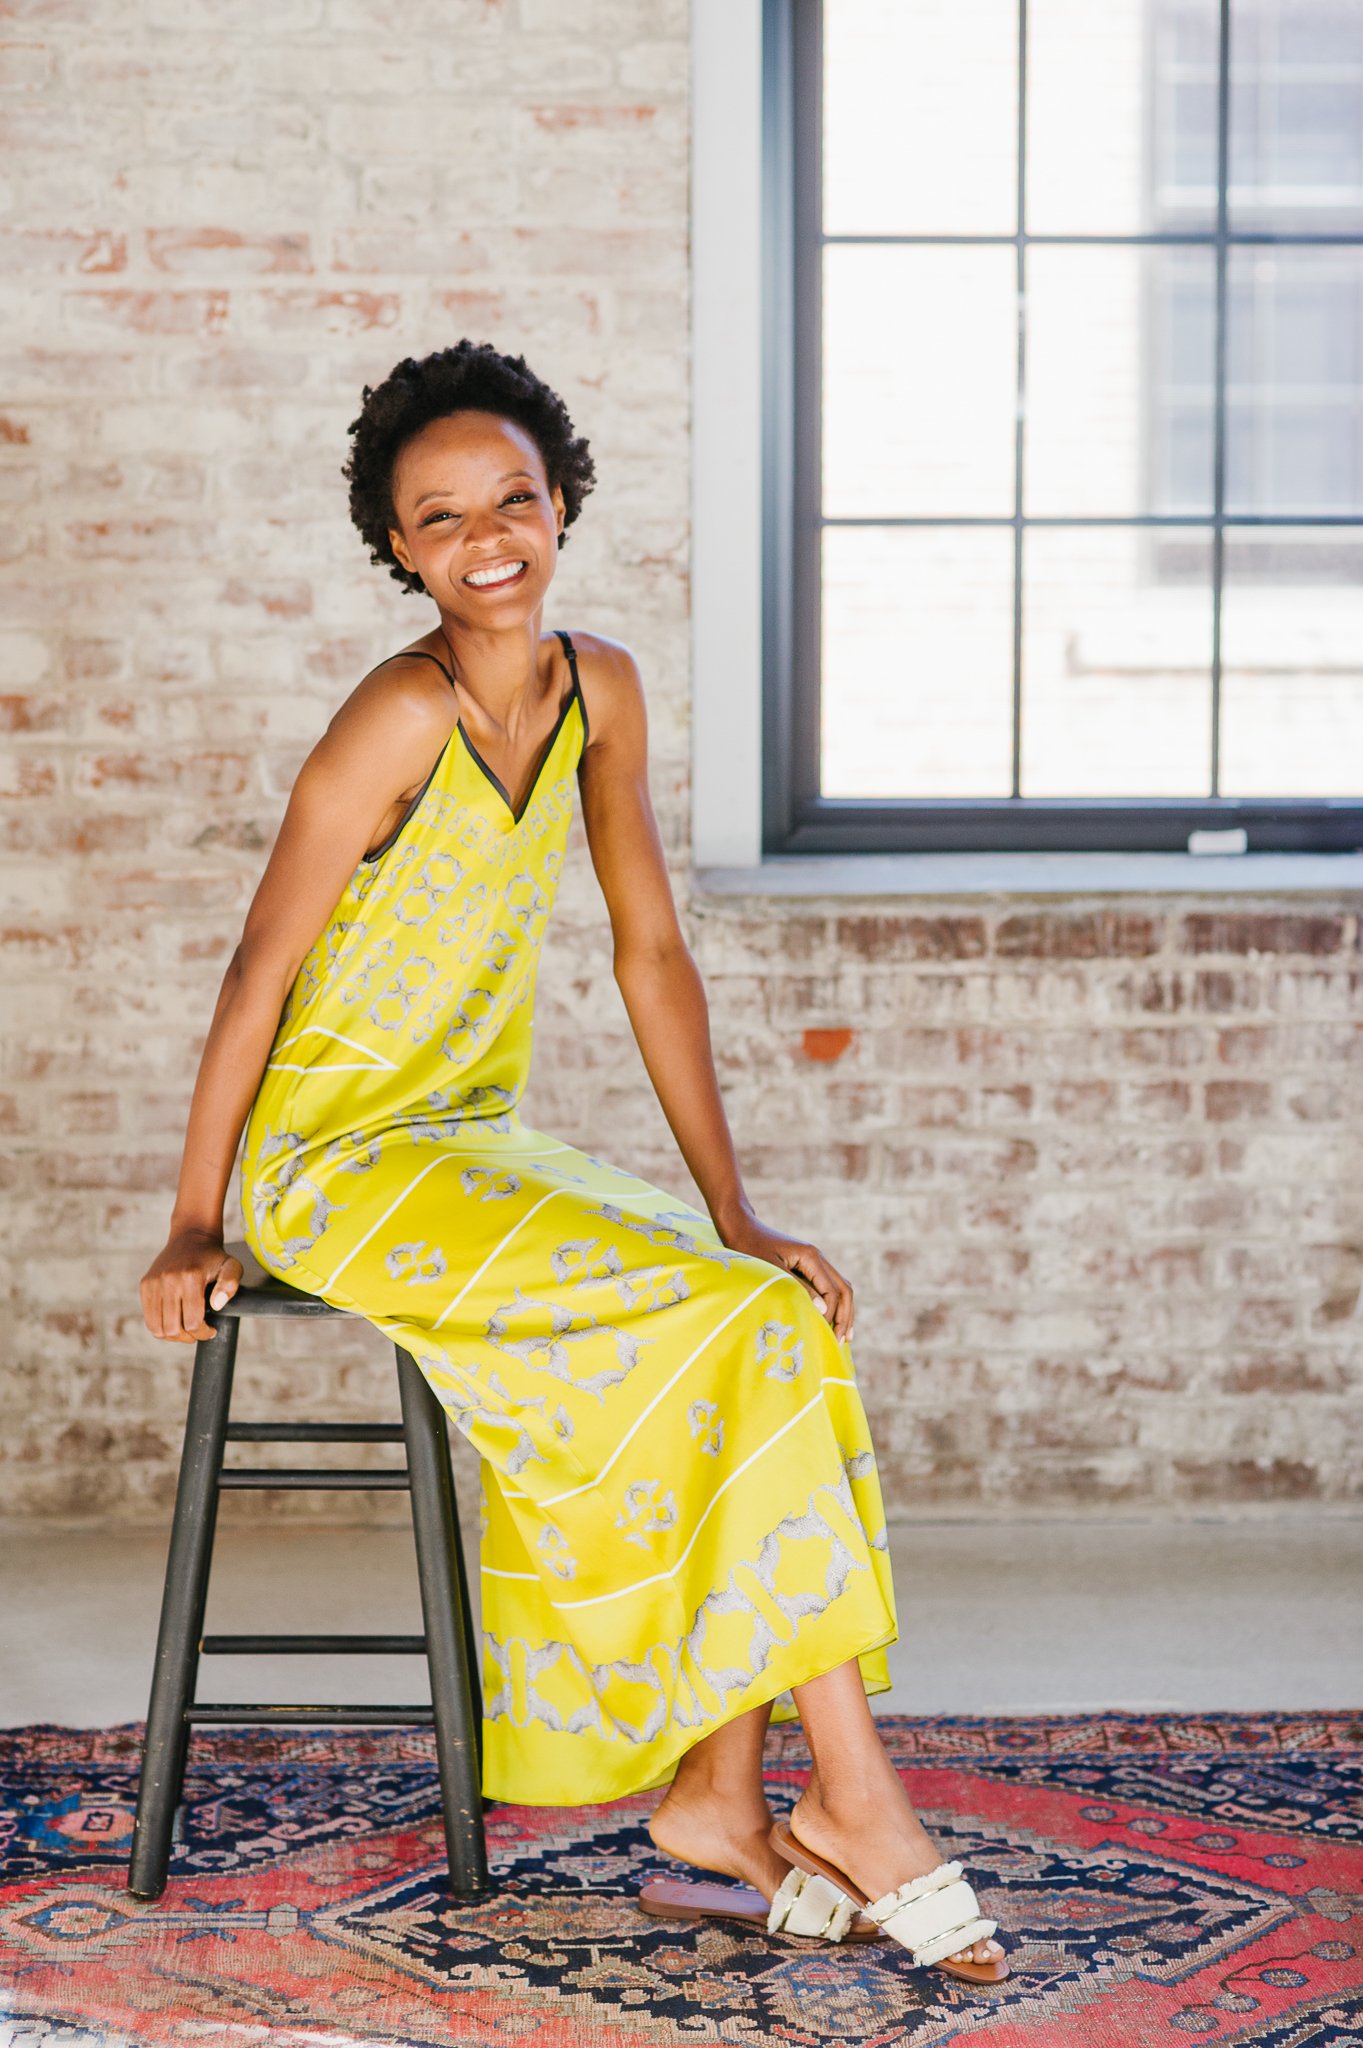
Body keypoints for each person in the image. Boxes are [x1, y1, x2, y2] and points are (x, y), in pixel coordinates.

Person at [138, 341, 1007, 1981]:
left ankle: (724, 1798)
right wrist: (198, 1219)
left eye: (514, 500)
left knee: (768, 1310)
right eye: (441, 515)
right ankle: (857, 1802)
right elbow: (261, 968)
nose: (487, 537)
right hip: (343, 1167)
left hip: (475, 1143)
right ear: (399, 544)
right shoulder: (400, 711)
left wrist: (731, 1211)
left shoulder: (602, 687)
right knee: (739, 1328)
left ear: (562, 504)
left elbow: (652, 953)